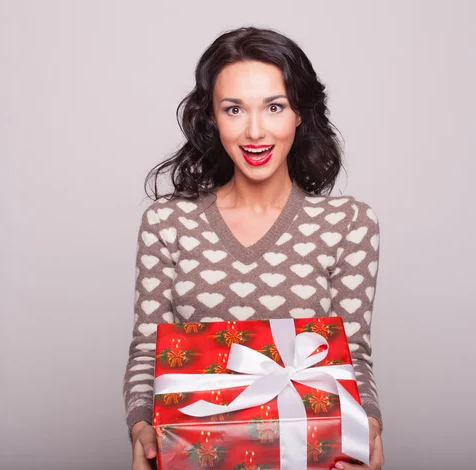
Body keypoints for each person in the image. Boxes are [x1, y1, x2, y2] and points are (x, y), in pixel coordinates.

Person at [124, 26, 384, 470]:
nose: (255, 131)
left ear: (299, 113)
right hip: (195, 456)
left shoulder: (349, 223)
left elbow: (350, 355)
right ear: (212, 117)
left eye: (274, 107)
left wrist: (369, 429)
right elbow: (150, 350)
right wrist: (142, 430)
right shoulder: (167, 223)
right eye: (233, 109)